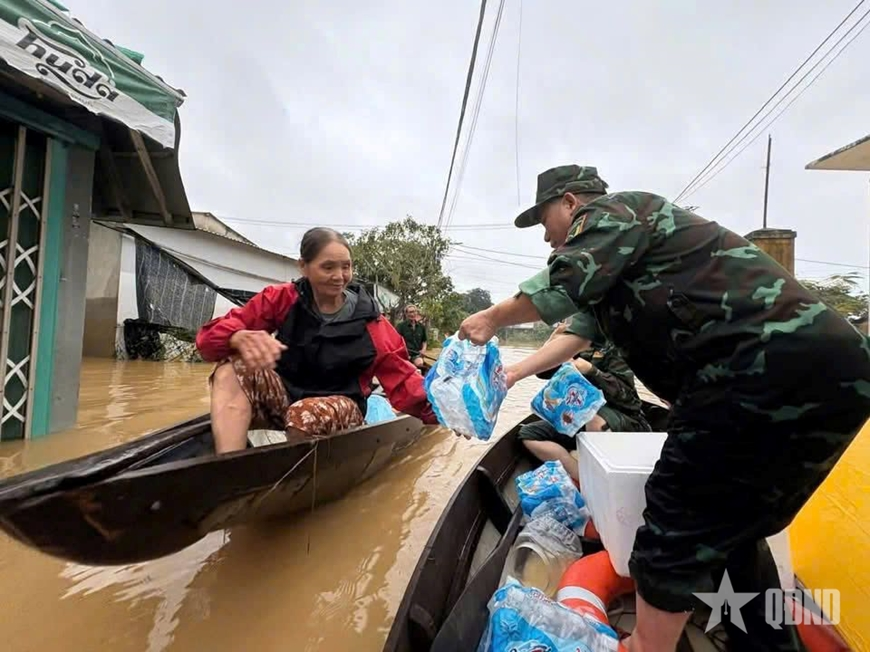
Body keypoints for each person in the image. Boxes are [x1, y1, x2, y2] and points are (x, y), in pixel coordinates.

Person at [458, 164, 870, 651]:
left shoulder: (614, 212)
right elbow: (574, 335)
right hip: (833, 377)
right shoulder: (620, 272)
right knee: (734, 527)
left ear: (570, 203)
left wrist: (492, 318)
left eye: (545, 221)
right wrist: (511, 374)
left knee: (673, 517)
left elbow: (566, 277)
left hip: (756, 373)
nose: (547, 237)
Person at [195, 227, 438, 454]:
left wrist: (440, 413)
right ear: (304, 266)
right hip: (287, 398)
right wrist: (236, 337)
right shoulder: (282, 299)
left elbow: (402, 380)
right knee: (230, 369)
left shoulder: (370, 321)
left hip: (342, 406)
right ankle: (230, 465)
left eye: (346, 267)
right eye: (328, 267)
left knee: (305, 415)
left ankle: (297, 476)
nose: (339, 276)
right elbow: (206, 342)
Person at [507, 313, 651, 483]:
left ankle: (604, 478)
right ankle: (584, 479)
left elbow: (629, 399)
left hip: (622, 418)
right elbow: (543, 373)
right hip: (578, 416)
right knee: (528, 434)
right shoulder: (569, 347)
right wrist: (551, 343)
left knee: (594, 419)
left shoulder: (614, 346)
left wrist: (592, 370)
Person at [396, 304, 428, 370]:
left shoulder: (421, 327)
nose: (412, 314)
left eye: (414, 311)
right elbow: (396, 341)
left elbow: (424, 341)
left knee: (420, 365)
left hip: (417, 355)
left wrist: (423, 350)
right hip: (404, 356)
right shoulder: (400, 326)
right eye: (410, 312)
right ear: (406, 314)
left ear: (416, 312)